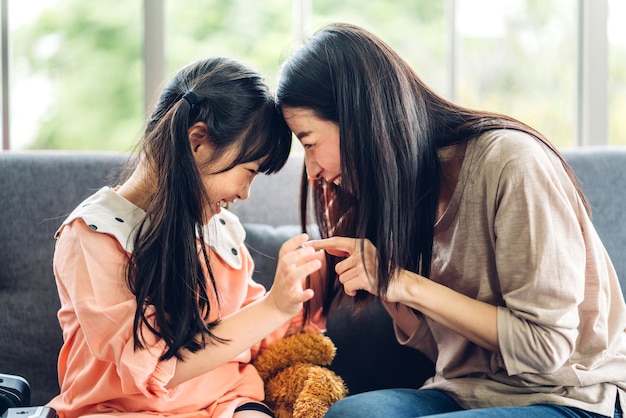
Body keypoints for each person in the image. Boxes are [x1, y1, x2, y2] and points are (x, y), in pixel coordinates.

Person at [276, 23, 626, 418]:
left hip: (570, 395)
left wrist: (402, 281)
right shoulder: (397, 191)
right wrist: (387, 289)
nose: (311, 172)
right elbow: (442, 349)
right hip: (464, 393)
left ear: (360, 120)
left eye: (309, 143)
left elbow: (544, 349)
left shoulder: (510, 163)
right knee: (351, 415)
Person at [47, 57, 325, 418]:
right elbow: (158, 364)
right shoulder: (95, 235)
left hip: (228, 401)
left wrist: (312, 287)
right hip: (119, 409)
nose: (245, 194)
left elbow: (254, 328)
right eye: (249, 171)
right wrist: (273, 307)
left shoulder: (218, 230)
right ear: (198, 142)